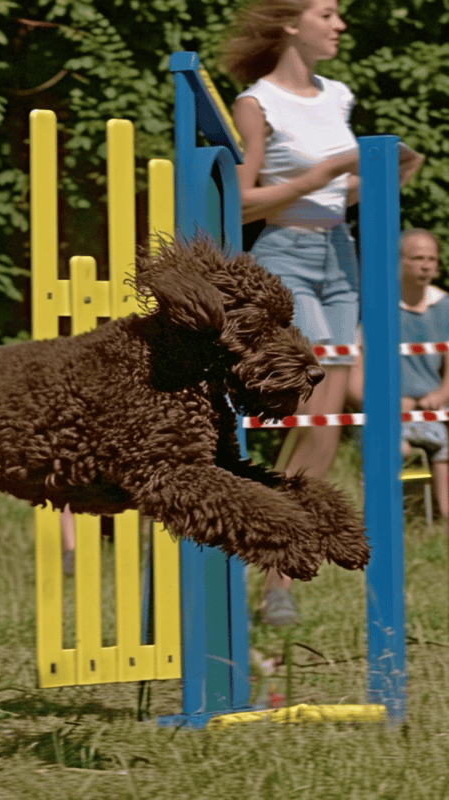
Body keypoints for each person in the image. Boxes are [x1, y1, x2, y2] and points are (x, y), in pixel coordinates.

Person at [222, 0, 424, 624]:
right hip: (286, 254)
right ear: (291, 23)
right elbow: (244, 201)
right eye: (329, 13)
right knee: (315, 417)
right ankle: (268, 565)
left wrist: (389, 175)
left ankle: (275, 577)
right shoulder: (256, 103)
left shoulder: (338, 95)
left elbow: (344, 189)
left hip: (343, 255)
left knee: (330, 423)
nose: (339, 25)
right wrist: (328, 170)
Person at [348, 229, 449, 518]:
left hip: (432, 408)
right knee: (398, 450)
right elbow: (354, 376)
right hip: (383, 412)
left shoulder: (444, 307)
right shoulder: (375, 309)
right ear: (398, 262)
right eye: (418, 258)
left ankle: (441, 518)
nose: (426, 265)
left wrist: (439, 396)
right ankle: (399, 516)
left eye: (432, 258)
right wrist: (385, 405)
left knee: (443, 448)